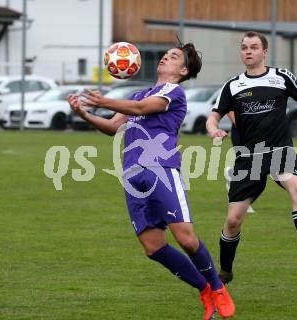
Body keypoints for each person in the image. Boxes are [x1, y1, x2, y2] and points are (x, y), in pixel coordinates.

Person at [67, 42, 235, 320]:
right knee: (153, 247)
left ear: (183, 70)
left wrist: (103, 100)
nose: (165, 58)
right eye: (165, 55)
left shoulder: (174, 92)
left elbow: (142, 108)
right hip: (133, 176)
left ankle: (218, 288)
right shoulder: (138, 93)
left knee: (186, 239)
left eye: (173, 57)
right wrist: (84, 114)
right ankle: (204, 288)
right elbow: (112, 127)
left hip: (162, 171)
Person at [206, 31, 297, 284]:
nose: (248, 51)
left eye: (253, 47)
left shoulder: (281, 77)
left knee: (296, 186)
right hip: (248, 158)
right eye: (244, 48)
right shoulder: (233, 85)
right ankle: (225, 271)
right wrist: (213, 128)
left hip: (279, 151)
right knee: (233, 220)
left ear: (264, 52)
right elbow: (214, 115)